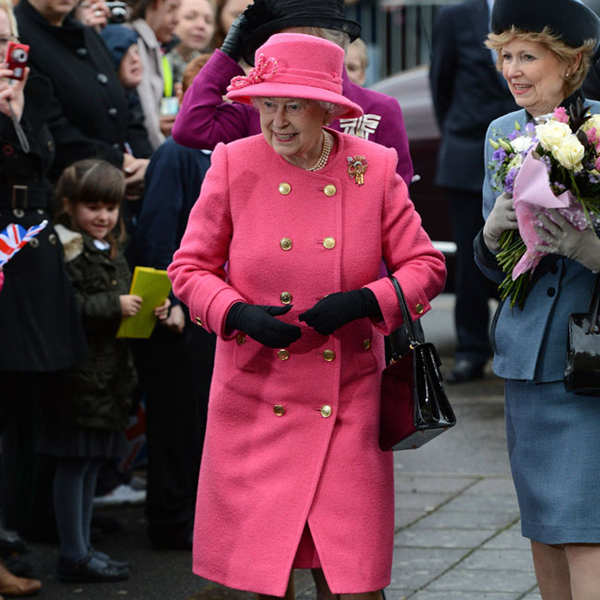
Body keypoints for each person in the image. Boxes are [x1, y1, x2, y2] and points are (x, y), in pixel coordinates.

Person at [168, 32, 446, 600]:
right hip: (254, 396)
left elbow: (425, 266)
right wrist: (236, 311)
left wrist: (367, 301)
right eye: (268, 104)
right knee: (261, 578)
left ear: (329, 107)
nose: (278, 121)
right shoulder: (232, 162)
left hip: (347, 397)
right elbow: (189, 269)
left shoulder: (374, 166)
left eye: (293, 104)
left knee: (353, 579)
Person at [474, 0, 600, 597]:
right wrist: (493, 229)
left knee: (586, 529)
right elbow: (487, 267)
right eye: (505, 57)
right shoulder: (502, 133)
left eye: (528, 56)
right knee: (544, 527)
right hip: (527, 356)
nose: (513, 70)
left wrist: (588, 248)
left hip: (591, 360)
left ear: (571, 63)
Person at [46, 159, 169, 583]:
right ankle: (73, 552)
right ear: (69, 206)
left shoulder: (110, 249)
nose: (103, 217)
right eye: (92, 207)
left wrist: (154, 308)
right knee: (75, 465)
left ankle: (82, 549)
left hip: (107, 377)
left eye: (110, 208)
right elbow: (64, 309)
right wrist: (112, 307)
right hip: (79, 378)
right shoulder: (64, 250)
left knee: (90, 465)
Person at [0, 0, 88, 552]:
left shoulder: (28, 90)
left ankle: (18, 530)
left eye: (7, 36)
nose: (7, 49)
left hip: (31, 247)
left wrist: (17, 109)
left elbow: (49, 156)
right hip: (6, 258)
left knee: (30, 399)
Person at [172, 0, 414, 186]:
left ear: (332, 42)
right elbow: (191, 128)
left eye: (297, 41)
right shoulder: (260, 108)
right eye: (278, 41)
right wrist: (227, 54)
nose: (285, 51)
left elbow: (395, 199)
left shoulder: (378, 108)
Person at [132, 53, 215, 550]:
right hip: (178, 313)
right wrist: (173, 300)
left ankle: (197, 516)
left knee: (203, 419)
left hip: (211, 308)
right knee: (176, 419)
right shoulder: (178, 152)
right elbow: (158, 235)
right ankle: (170, 521)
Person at [429, 0, 518, 383]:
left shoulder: (529, 9)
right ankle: (470, 350)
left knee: (523, 255)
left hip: (521, 149)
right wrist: (463, 134)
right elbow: (440, 83)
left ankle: (516, 345)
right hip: (467, 153)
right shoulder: (454, 16)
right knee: (469, 259)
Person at [14, 0, 151, 185]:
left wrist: (143, 163)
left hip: (112, 186)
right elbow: (50, 127)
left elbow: (122, 104)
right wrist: (119, 162)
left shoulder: (85, 33)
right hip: (65, 188)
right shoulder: (18, 37)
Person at [128, 0, 181, 149]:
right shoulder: (134, 44)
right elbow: (145, 116)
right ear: (156, 4)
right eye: (171, 9)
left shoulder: (156, 47)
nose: (177, 19)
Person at [166, 0, 214, 84]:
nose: (201, 25)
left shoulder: (208, 66)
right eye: (190, 17)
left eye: (208, 21)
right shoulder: (157, 59)